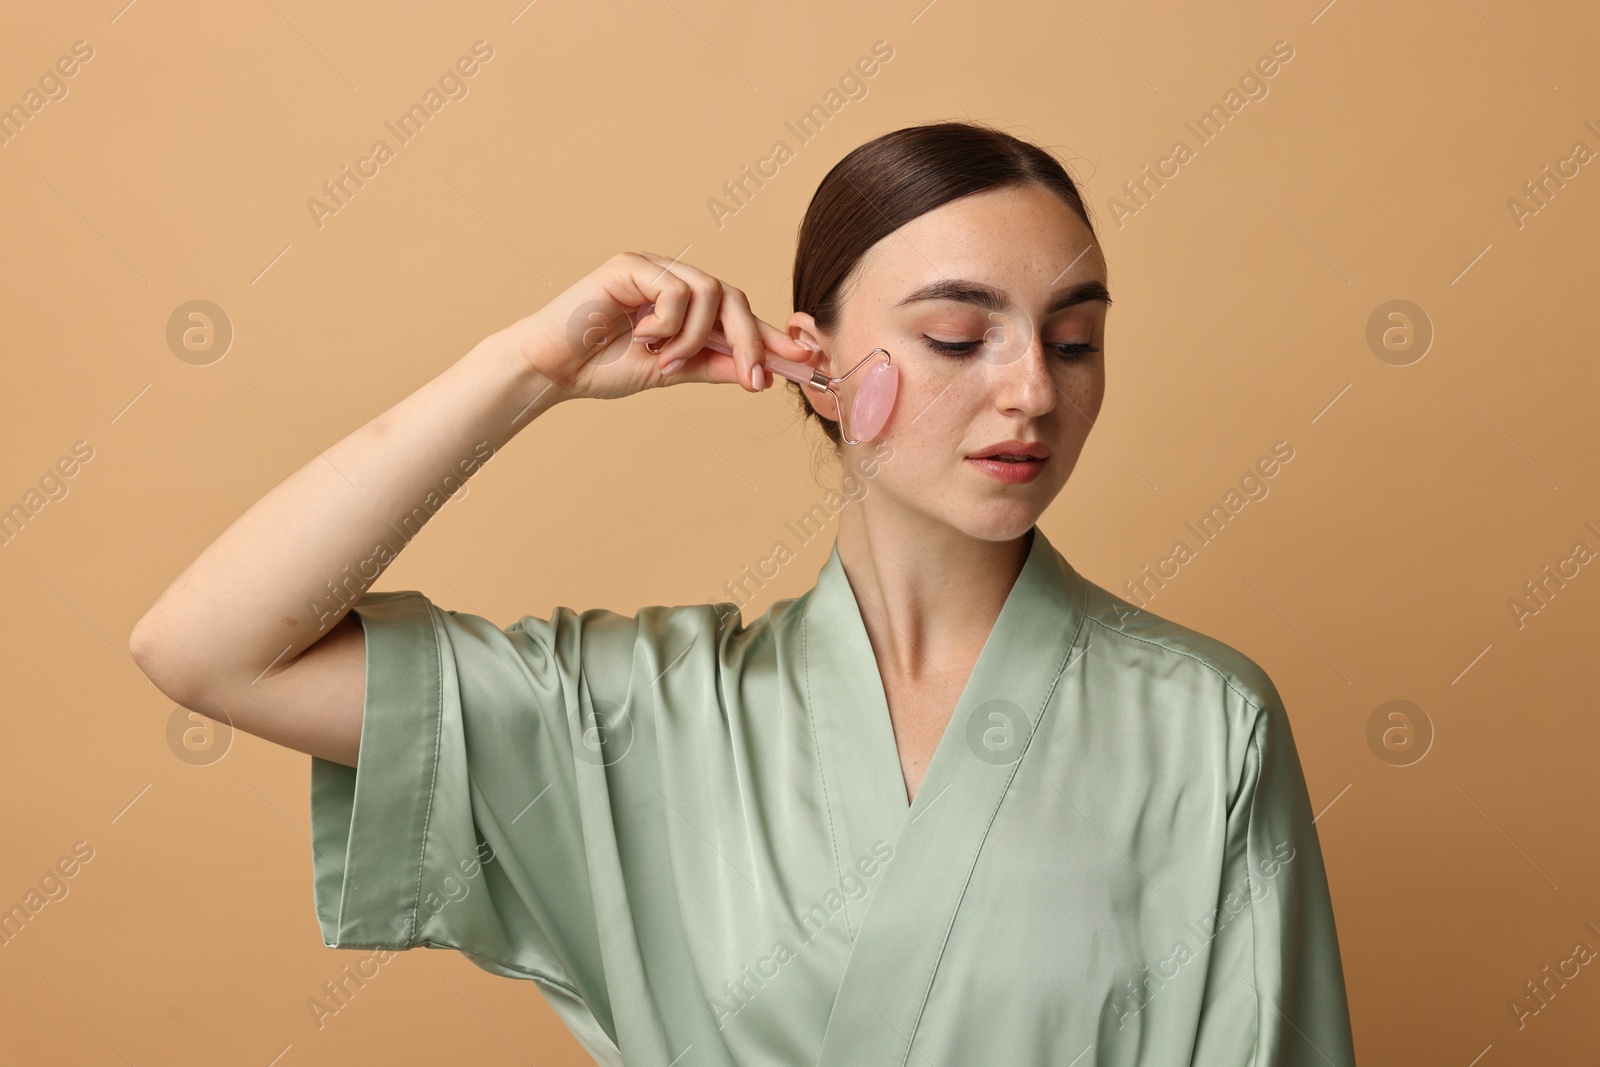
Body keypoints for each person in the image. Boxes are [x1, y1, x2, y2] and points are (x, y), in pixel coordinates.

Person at [129, 120, 1357, 1066]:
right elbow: (208, 648)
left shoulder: (1205, 723)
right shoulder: (631, 714)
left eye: (1073, 340)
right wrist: (531, 368)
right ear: (813, 366)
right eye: (955, 336)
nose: (1031, 389)